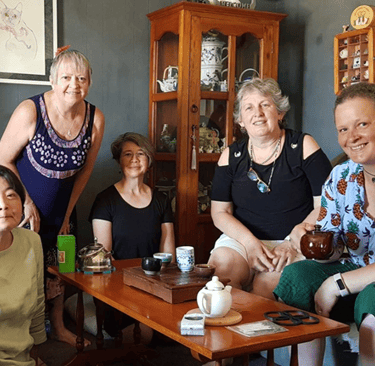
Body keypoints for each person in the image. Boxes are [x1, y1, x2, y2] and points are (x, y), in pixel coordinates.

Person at [0, 47, 105, 347]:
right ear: (52, 80)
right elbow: (3, 158)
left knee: (62, 267)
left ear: (89, 82)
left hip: (63, 208)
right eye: (66, 77)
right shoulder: (30, 110)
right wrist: (27, 204)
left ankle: (58, 327)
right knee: (27, 272)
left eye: (81, 78)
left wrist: (68, 213)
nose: (74, 84)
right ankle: (24, 339)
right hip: (24, 209)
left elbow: (84, 172)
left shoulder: (95, 119)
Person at [274, 82, 375, 366]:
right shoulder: (341, 177)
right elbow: (335, 248)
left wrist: (337, 284)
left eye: (362, 124)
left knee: (372, 297)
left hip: (367, 281)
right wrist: (319, 245)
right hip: (356, 265)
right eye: (343, 129)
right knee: (298, 277)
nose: (351, 137)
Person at [207, 78, 332, 297]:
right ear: (241, 121)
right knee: (220, 273)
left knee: (267, 285)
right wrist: (249, 243)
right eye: (249, 107)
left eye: (265, 104)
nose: (258, 112)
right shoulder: (231, 155)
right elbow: (219, 212)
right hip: (243, 239)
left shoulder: (303, 146)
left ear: (280, 113)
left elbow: (326, 205)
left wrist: (292, 242)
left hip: (293, 239)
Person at [89, 132, 175, 342]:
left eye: (141, 154)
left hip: (156, 286)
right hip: (119, 290)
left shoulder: (161, 200)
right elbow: (105, 258)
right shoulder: (105, 200)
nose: (135, 159)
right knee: (145, 331)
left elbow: (169, 255)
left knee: (183, 326)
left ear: (149, 160)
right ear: (119, 161)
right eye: (128, 154)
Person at [0, 165, 46, 366]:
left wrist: (37, 352)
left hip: (23, 359)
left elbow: (37, 300)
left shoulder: (31, 242)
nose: (3, 204)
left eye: (11, 195)